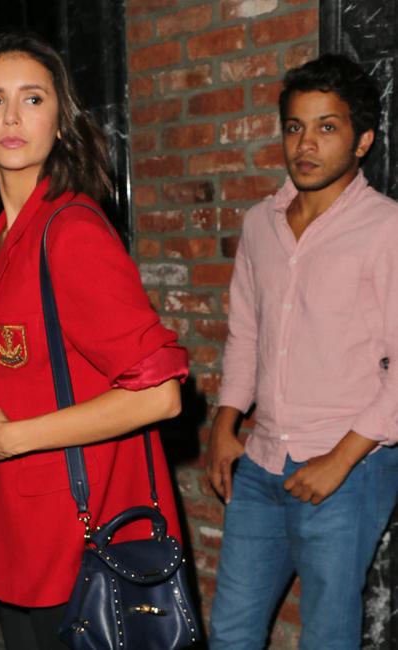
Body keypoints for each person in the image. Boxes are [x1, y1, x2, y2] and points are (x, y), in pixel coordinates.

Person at [0, 32, 189, 649]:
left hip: (81, 555)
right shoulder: (3, 237)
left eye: (33, 99)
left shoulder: (71, 233)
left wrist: (12, 440)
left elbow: (159, 395)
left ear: (61, 122)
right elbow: (28, 387)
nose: (12, 117)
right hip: (26, 542)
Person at [207, 53, 398, 649]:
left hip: (350, 469)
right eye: (295, 127)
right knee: (230, 632)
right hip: (262, 461)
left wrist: (340, 460)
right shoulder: (259, 225)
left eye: (327, 127)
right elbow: (246, 334)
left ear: (362, 140)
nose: (306, 144)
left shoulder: (386, 228)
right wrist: (224, 424)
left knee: (327, 637)